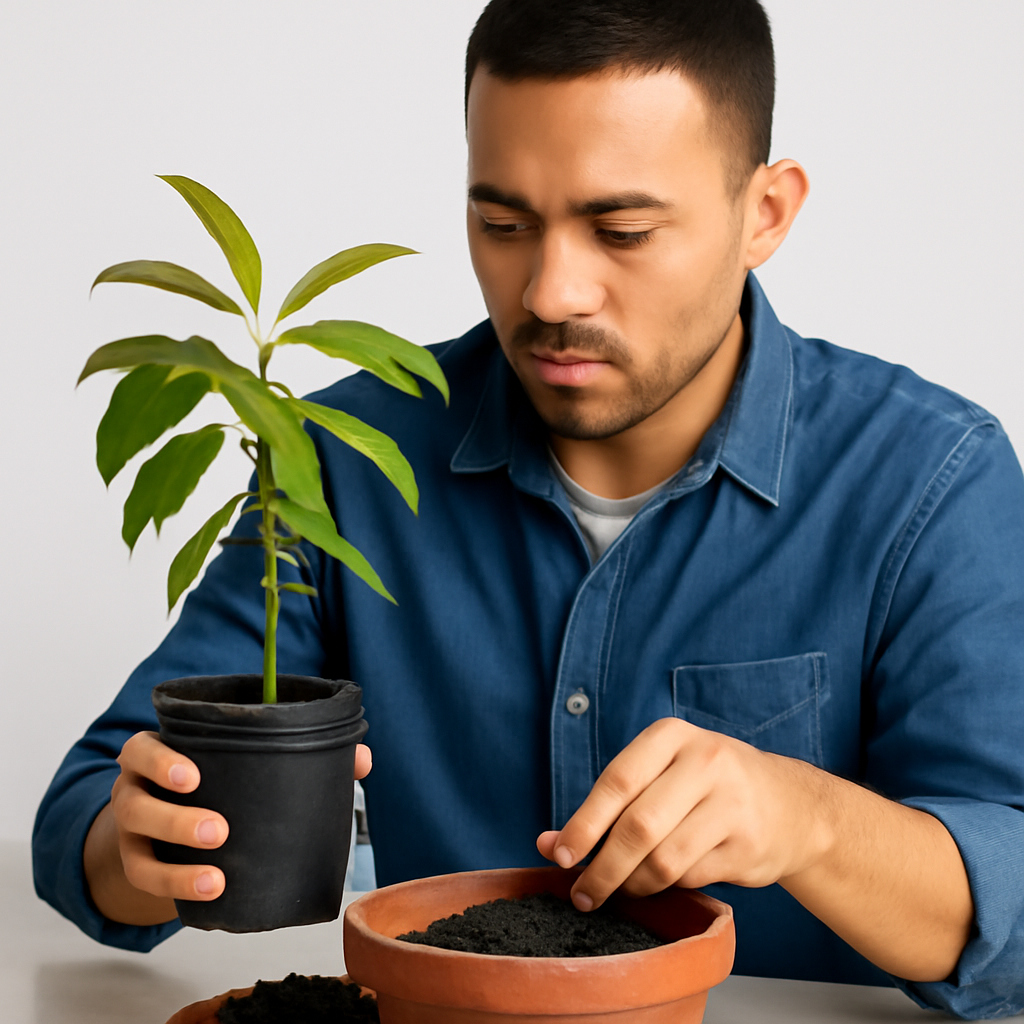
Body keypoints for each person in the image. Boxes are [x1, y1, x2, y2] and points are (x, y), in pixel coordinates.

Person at [33, 1, 1024, 1018]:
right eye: (502, 224)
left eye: (622, 229)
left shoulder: (929, 479)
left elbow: (1016, 903)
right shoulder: (343, 459)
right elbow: (85, 825)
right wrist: (144, 840)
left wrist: (808, 819)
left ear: (763, 213)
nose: (551, 292)